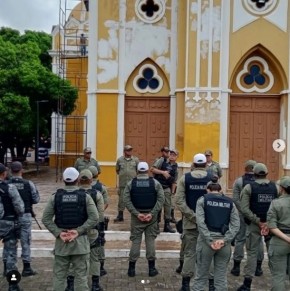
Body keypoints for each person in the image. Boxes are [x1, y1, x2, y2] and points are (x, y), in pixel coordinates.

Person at [42, 167, 99, 291]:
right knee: (81, 278)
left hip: (62, 243)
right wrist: (78, 231)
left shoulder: (55, 197)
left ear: (63, 179)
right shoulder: (85, 197)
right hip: (81, 242)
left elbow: (45, 219)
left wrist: (59, 233)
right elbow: (95, 217)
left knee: (59, 277)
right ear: (78, 180)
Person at [237, 163, 278, 291]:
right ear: (266, 173)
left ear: (254, 174)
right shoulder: (275, 187)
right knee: (274, 255)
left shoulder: (249, 187)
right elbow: (277, 206)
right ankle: (278, 284)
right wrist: (268, 222)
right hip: (272, 227)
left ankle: (247, 285)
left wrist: (258, 221)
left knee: (252, 254)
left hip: (254, 225)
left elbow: (244, 209)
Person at [192, 181, 240, 291]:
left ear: (208, 189)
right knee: (221, 278)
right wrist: (225, 240)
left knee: (200, 277)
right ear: (220, 190)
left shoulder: (203, 200)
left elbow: (200, 222)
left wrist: (209, 240)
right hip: (224, 244)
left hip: (206, 243)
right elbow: (236, 225)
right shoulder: (230, 202)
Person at [175, 153, 212, 291]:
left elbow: (179, 200)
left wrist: (193, 216)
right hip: (209, 223)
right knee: (210, 252)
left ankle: (185, 285)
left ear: (194, 164)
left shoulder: (185, 178)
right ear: (206, 164)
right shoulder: (212, 178)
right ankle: (211, 284)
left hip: (190, 223)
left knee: (189, 253)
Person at [123, 162, 165, 277]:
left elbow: (126, 200)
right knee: (150, 241)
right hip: (151, 217)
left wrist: (136, 214)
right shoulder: (155, 183)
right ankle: (151, 269)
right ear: (147, 170)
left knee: (135, 241)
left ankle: (131, 270)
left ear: (137, 170)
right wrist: (152, 213)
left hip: (137, 217)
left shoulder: (131, 183)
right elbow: (161, 200)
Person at [2, 161, 40, 278]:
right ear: (21, 170)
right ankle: (26, 267)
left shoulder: (6, 184)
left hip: (9, 217)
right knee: (26, 241)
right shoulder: (29, 183)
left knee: (8, 242)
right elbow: (36, 199)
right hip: (25, 216)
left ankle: (6, 267)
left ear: (10, 171)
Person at [231, 160, 265, 277]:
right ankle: (258, 268)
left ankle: (236, 267)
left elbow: (235, 199)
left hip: (242, 215)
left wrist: (244, 212)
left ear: (245, 168)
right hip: (258, 216)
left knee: (240, 239)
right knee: (258, 240)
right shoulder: (261, 182)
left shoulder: (239, 181)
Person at [0, 163, 24, 291]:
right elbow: (20, 208)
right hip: (8, 223)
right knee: (11, 256)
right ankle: (13, 285)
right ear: (4, 174)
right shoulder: (10, 188)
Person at [79, 169, 104, 291]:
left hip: (78, 232)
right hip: (93, 231)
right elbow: (100, 216)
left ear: (79, 180)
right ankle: (95, 284)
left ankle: (73, 283)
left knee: (77, 258)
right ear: (90, 180)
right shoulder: (97, 194)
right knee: (94, 258)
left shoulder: (75, 193)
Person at [267, 176, 290, 291]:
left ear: (282, 188)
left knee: (278, 277)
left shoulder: (276, 203)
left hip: (279, 241)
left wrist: (287, 239)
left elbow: (272, 226)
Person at [88, 165, 109, 276]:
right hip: (98, 220)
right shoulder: (102, 187)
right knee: (100, 242)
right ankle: (100, 267)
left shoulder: (80, 187)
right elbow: (105, 204)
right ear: (97, 174)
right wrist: (97, 213)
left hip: (84, 220)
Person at [150, 146, 176, 233]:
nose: (169, 154)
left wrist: (173, 191)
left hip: (167, 188)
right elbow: (152, 169)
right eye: (167, 152)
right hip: (158, 187)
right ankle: (156, 225)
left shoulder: (174, 165)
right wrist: (163, 172)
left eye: (169, 152)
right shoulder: (161, 160)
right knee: (158, 206)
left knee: (168, 207)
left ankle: (167, 225)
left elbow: (174, 180)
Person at [115, 145, 139, 223]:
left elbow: (137, 171)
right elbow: (117, 170)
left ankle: (136, 215)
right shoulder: (120, 160)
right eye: (128, 150)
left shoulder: (135, 160)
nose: (129, 152)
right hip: (123, 184)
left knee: (134, 199)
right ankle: (120, 215)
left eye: (130, 150)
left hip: (132, 184)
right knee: (121, 200)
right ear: (124, 151)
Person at [168, 149, 179, 223]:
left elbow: (175, 180)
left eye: (174, 155)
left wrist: (172, 191)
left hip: (170, 186)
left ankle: (171, 217)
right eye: (171, 154)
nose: (172, 156)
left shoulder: (176, 167)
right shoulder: (164, 163)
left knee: (171, 203)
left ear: (176, 157)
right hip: (162, 185)